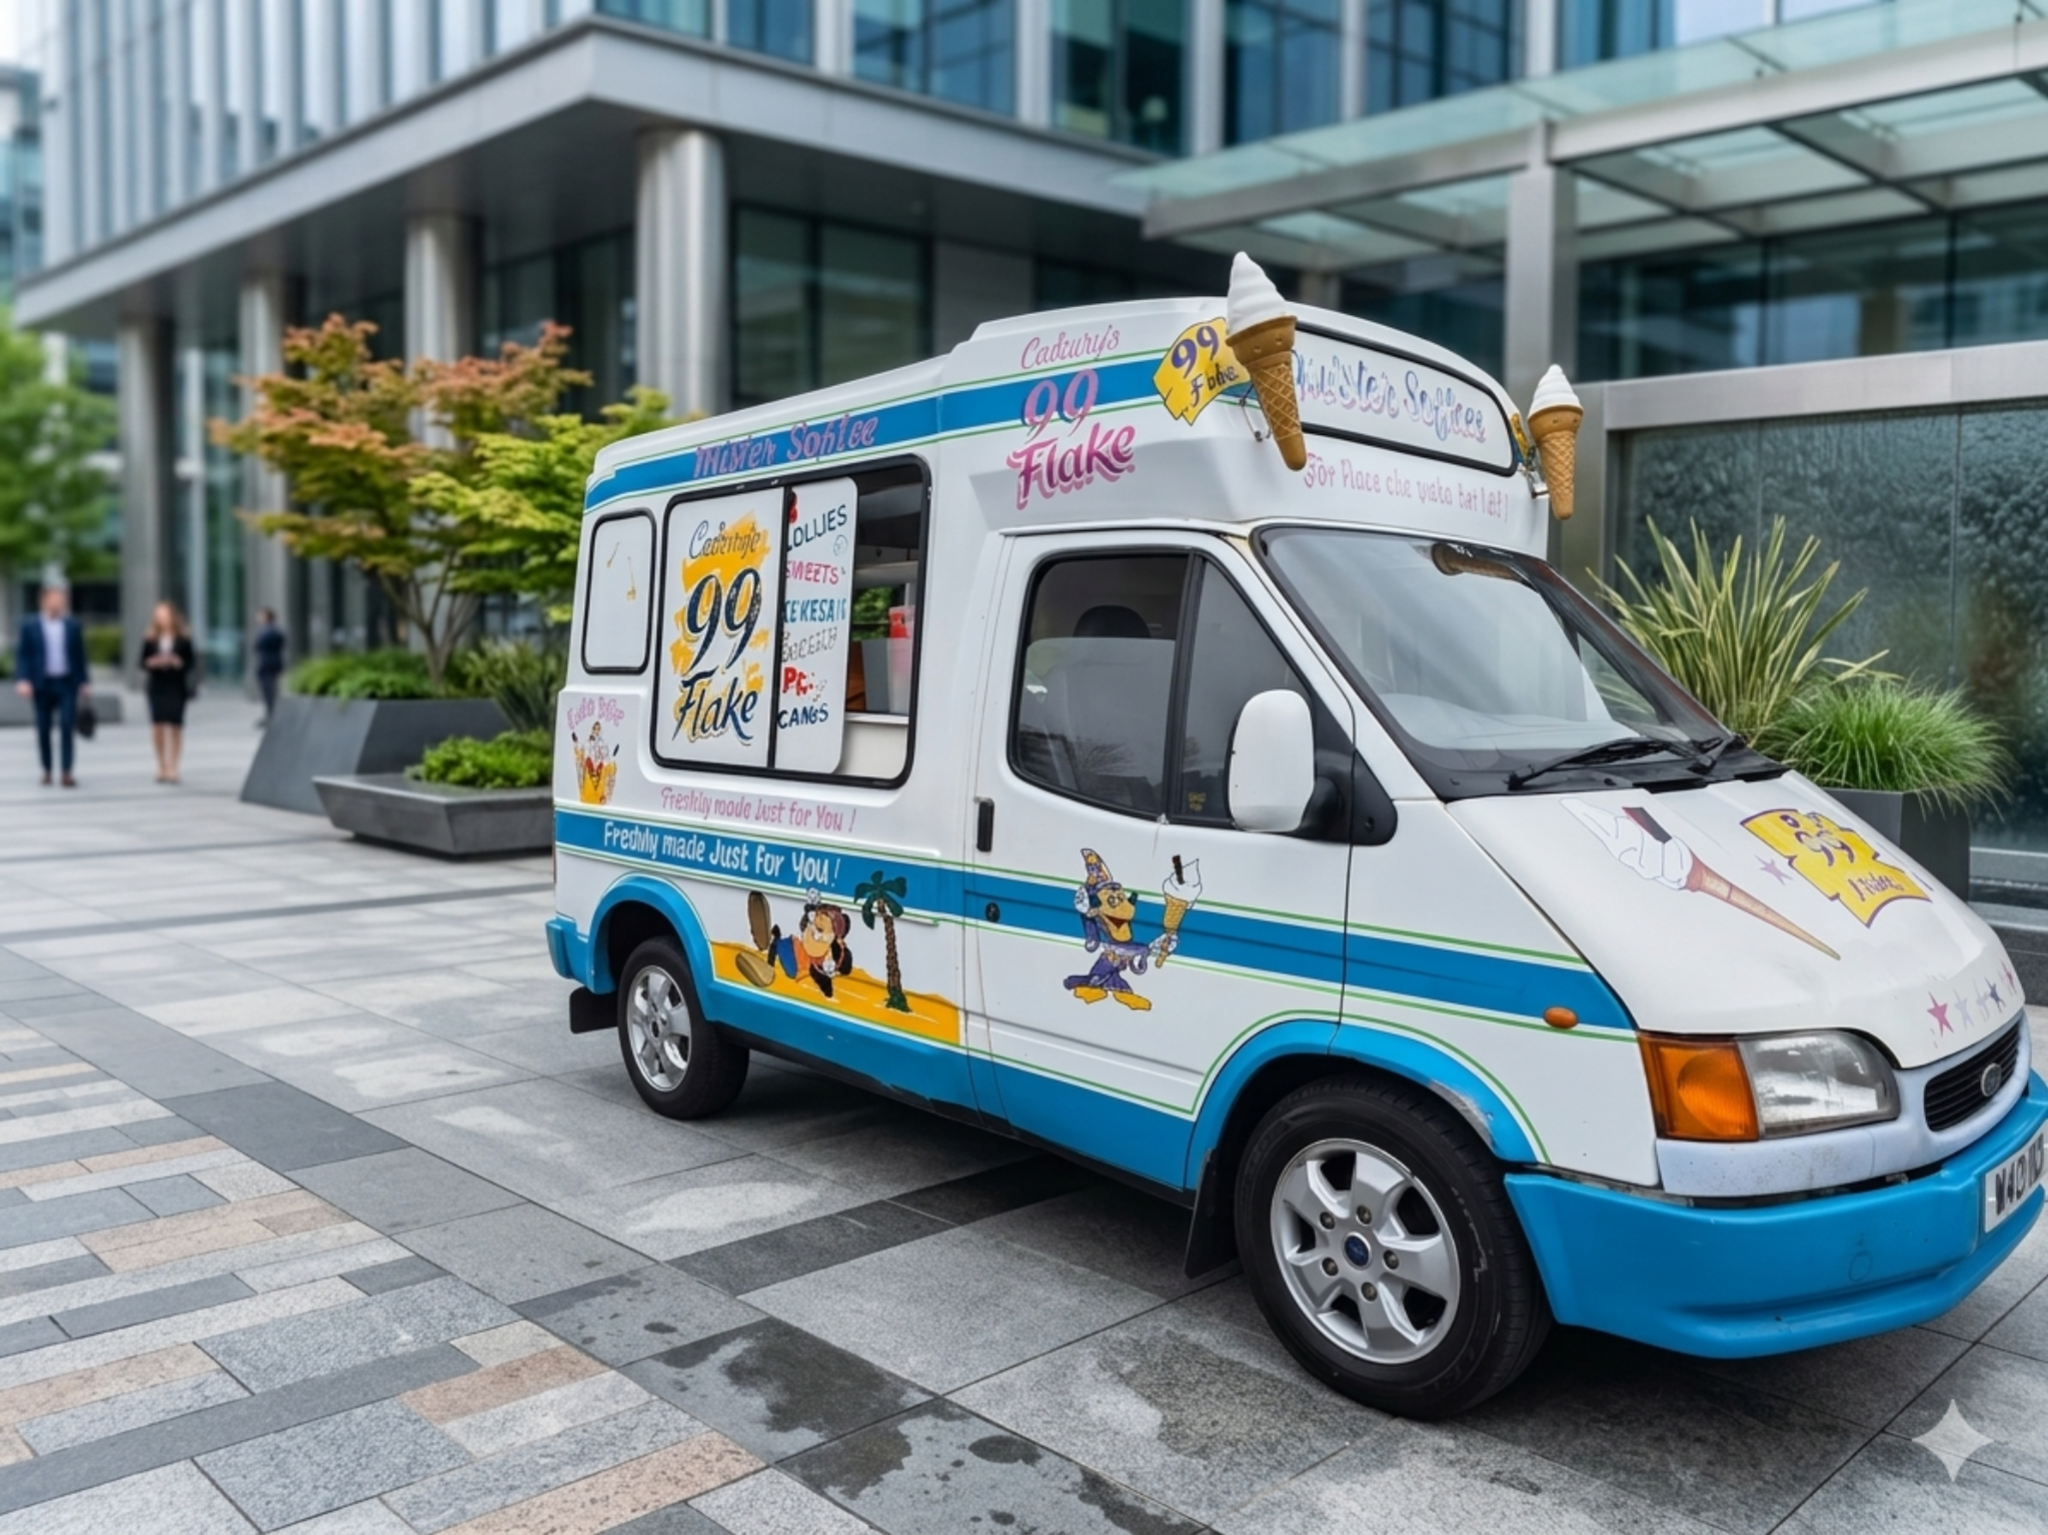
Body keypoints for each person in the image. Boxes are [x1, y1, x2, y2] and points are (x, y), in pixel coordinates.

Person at [12, 583, 90, 789]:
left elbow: (80, 656)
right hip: (42, 684)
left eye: (62, 599)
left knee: (67, 725)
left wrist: (84, 682)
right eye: (54, 598)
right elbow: (23, 655)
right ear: (44, 601)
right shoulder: (30, 625)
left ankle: (66, 771)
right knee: (43, 728)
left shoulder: (72, 625)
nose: (59, 602)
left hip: (66, 683)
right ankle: (47, 769)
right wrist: (23, 679)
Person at [140, 601, 197, 784]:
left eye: (164, 615)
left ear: (172, 617)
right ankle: (161, 765)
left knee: (175, 726)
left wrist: (178, 662)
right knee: (157, 725)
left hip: (176, 685)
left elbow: (191, 663)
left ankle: (174, 766)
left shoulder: (184, 638)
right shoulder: (150, 638)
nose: (161, 619)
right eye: (158, 615)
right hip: (157, 685)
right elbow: (141, 662)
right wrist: (153, 662)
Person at [252, 607, 285, 726]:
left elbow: (260, 646)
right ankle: (270, 715)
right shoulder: (267, 630)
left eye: (260, 615)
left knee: (270, 691)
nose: (258, 618)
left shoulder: (271, 631)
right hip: (266, 664)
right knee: (267, 692)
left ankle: (272, 715)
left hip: (269, 665)